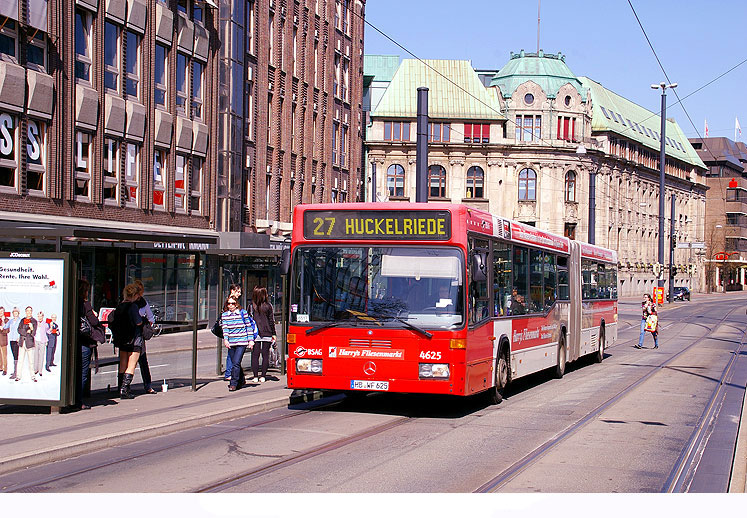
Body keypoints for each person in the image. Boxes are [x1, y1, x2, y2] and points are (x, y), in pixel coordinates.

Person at [113, 283, 144, 399]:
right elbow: (138, 322)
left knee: (123, 364)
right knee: (131, 365)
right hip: (134, 339)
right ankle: (125, 389)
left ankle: (119, 387)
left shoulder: (120, 306)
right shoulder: (133, 307)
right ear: (135, 295)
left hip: (122, 339)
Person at [221, 296, 258, 391]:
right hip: (231, 342)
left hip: (242, 341)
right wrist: (226, 340)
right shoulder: (225, 315)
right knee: (235, 363)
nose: (230, 306)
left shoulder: (243, 313)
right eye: (228, 303)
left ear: (236, 304)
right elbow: (225, 329)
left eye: (232, 303)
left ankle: (233, 383)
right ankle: (241, 379)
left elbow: (248, 327)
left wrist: (251, 340)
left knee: (236, 363)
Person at [79, 279, 105, 409]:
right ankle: (78, 401)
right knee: (83, 373)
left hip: (72, 342)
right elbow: (94, 322)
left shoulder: (69, 301)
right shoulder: (85, 304)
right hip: (84, 342)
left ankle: (69, 399)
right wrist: (94, 314)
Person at [133, 280, 156, 394]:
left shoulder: (140, 303)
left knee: (137, 360)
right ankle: (147, 385)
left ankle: (124, 387)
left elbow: (151, 318)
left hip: (134, 335)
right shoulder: (136, 303)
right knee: (140, 361)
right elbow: (151, 318)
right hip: (134, 335)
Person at [251, 286, 277, 383]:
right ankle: (263, 376)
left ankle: (255, 376)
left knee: (255, 355)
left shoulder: (251, 306)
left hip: (255, 332)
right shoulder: (268, 306)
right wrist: (274, 333)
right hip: (267, 332)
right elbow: (271, 321)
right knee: (265, 355)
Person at [223, 283, 243, 381]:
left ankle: (231, 372)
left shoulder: (234, 301)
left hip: (234, 332)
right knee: (231, 354)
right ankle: (229, 373)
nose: (239, 294)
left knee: (232, 354)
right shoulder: (230, 302)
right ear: (232, 291)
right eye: (238, 291)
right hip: (231, 332)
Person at [16, 306, 37, 382]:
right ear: (25, 312)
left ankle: (33, 376)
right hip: (22, 342)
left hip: (30, 343)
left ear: (31, 312)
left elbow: (34, 333)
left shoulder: (34, 321)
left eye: (30, 311)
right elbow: (19, 330)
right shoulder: (22, 320)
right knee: (20, 360)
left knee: (31, 361)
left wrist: (31, 329)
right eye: (27, 311)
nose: (29, 312)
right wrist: (26, 332)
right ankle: (18, 376)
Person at [5, 308, 21, 380]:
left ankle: (16, 373)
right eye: (14, 312)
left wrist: (19, 337)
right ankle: (15, 371)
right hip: (11, 339)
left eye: (16, 312)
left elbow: (21, 330)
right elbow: (5, 326)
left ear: (18, 313)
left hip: (17, 340)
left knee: (16, 356)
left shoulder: (20, 320)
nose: (15, 313)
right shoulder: (11, 321)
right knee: (13, 355)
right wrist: (2, 320)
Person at [33, 311, 49, 377]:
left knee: (41, 355)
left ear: (43, 316)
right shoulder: (35, 323)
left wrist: (51, 327)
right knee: (36, 355)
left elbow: (48, 331)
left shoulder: (45, 324)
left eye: (41, 316)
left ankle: (40, 370)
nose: (39, 317)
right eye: (38, 316)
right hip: (36, 340)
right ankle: (35, 369)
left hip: (42, 341)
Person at [0, 307, 8, 376]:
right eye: (0, 311)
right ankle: (0, 367)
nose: (0, 312)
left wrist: (3, 326)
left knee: (4, 356)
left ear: (4, 312)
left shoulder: (6, 320)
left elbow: (7, 330)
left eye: (2, 311)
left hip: (3, 340)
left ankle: (5, 369)